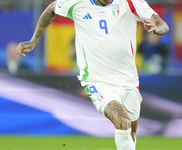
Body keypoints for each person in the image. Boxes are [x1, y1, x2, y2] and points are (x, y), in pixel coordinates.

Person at [16, 0, 169, 149]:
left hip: (129, 80)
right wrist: (33, 40)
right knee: (122, 121)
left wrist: (157, 29)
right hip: (97, 81)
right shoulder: (77, 4)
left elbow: (162, 25)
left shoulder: (130, 2)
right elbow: (52, 8)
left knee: (130, 131)